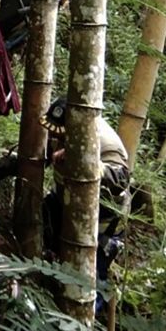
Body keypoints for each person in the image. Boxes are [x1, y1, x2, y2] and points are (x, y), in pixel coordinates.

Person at [40, 98, 132, 286]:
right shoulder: (62, 134)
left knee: (90, 278)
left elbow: (121, 179)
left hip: (102, 220)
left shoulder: (105, 141)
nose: (57, 139)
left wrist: (88, 162)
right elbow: (44, 157)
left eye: (61, 135)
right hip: (65, 205)